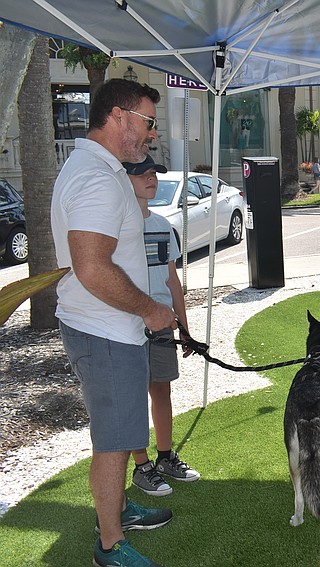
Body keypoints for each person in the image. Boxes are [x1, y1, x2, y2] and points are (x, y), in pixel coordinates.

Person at [51, 78, 177, 567]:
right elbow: (92, 267)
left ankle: (120, 509)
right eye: (147, 122)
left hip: (106, 327)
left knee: (122, 433)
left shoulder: (96, 168)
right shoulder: (97, 177)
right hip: (105, 331)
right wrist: (150, 309)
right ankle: (109, 544)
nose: (150, 134)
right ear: (120, 116)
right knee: (114, 441)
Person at [124, 155, 201, 498]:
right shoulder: (117, 228)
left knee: (162, 391)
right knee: (133, 397)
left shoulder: (161, 226)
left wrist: (184, 327)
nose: (151, 178)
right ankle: (142, 467)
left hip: (162, 328)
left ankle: (166, 457)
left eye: (154, 172)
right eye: (142, 172)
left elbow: (172, 281)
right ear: (125, 178)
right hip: (127, 326)